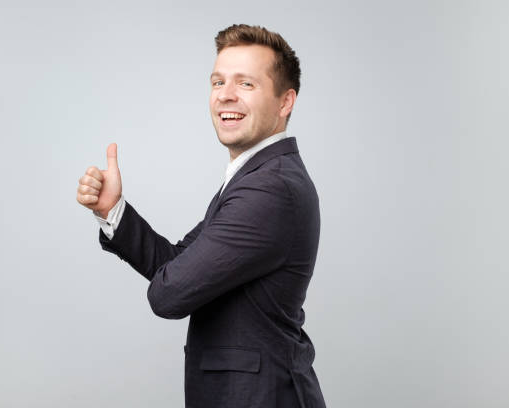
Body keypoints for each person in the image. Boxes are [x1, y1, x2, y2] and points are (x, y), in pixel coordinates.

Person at [76, 24, 326, 408]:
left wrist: (170, 283)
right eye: (217, 82)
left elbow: (170, 292)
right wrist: (113, 211)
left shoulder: (269, 189)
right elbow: (178, 265)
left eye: (246, 84)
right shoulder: (255, 179)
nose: (225, 95)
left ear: (285, 102)